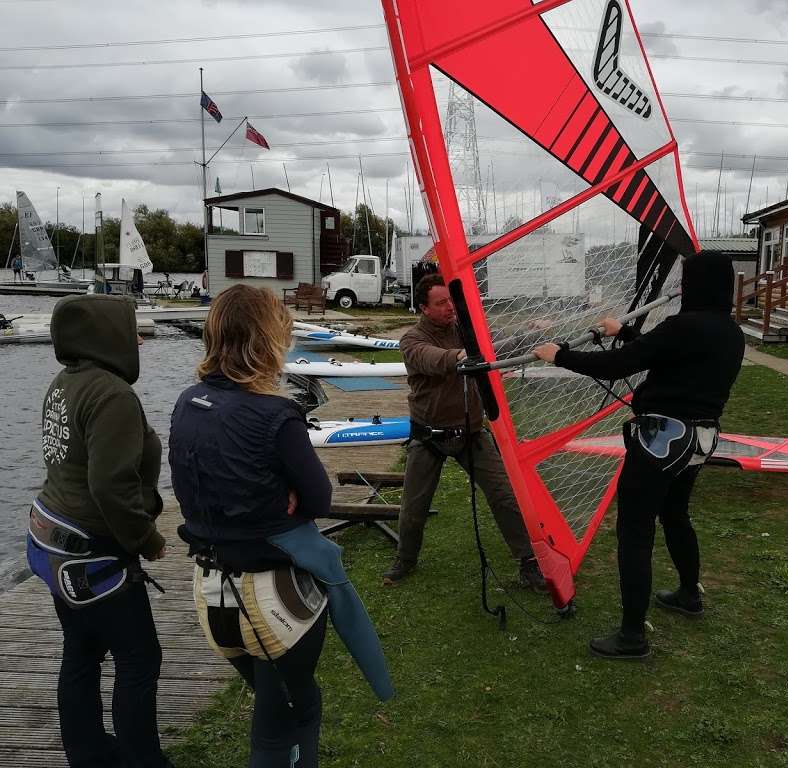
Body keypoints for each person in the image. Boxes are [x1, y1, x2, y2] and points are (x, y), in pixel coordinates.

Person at [169, 285, 392, 767]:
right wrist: (283, 497)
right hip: (272, 597)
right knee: (285, 722)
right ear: (268, 339)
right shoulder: (276, 414)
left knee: (282, 704)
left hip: (211, 591)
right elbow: (319, 498)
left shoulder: (189, 402)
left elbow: (194, 482)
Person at [533, 250, 745, 660]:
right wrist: (624, 332)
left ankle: (632, 636)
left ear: (695, 284)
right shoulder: (730, 331)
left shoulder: (682, 326)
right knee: (676, 515)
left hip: (661, 440)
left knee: (635, 531)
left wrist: (559, 355)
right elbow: (668, 357)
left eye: (685, 280)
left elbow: (616, 367)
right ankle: (688, 594)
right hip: (700, 442)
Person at [26, 294, 172, 767]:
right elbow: (110, 486)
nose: (139, 339)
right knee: (138, 659)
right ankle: (141, 761)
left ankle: (88, 756)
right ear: (107, 336)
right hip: (94, 553)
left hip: (52, 538)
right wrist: (146, 540)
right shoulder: (112, 395)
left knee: (82, 651)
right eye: (132, 331)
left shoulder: (65, 382)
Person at [382, 274, 547, 592]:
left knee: (503, 495)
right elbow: (430, 359)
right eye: (441, 302)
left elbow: (496, 343)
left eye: (451, 301)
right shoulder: (411, 340)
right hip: (429, 437)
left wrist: (529, 332)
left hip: (471, 433)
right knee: (414, 506)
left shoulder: (465, 331)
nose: (449, 308)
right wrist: (458, 356)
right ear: (423, 308)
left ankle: (528, 564)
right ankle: (406, 558)